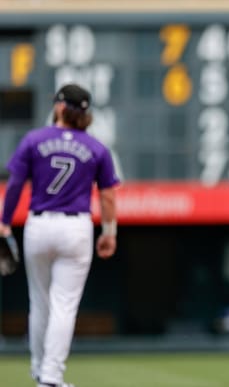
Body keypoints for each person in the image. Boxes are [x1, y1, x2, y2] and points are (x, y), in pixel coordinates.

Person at [0, 83, 120, 387]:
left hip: (38, 225)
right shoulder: (96, 148)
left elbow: (14, 184)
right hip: (75, 228)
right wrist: (109, 232)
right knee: (63, 305)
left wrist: (3, 222)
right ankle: (51, 376)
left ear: (58, 106)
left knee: (39, 303)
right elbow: (107, 196)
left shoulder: (34, 139)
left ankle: (40, 369)